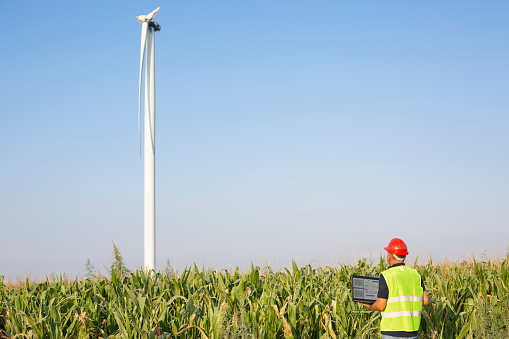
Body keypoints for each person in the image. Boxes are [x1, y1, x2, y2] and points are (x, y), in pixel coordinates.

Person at [360, 238, 429, 339]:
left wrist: (370, 306)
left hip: (392, 332)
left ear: (389, 257)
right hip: (412, 332)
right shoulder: (416, 275)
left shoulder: (386, 276)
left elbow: (380, 306)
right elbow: (426, 301)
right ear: (404, 256)